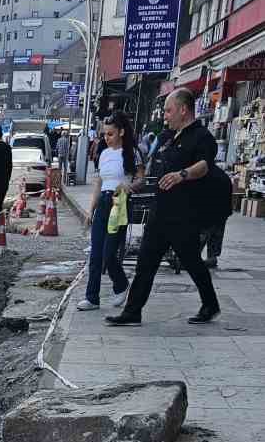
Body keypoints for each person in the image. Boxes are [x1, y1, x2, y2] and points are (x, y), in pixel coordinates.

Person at [107, 87, 220, 326]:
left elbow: (204, 165)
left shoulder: (202, 137)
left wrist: (183, 174)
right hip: (160, 212)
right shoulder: (168, 137)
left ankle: (210, 304)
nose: (165, 115)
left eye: (169, 110)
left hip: (184, 214)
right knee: (145, 263)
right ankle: (132, 311)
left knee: (192, 262)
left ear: (183, 109)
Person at [78, 112, 143, 313]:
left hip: (120, 203)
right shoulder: (104, 154)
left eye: (111, 134)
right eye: (105, 134)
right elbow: (99, 183)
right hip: (104, 203)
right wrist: (91, 210)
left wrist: (128, 186)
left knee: (108, 252)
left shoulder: (131, 152)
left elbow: (141, 179)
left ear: (121, 132)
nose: (107, 138)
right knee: (96, 253)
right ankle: (92, 297)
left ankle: (121, 283)